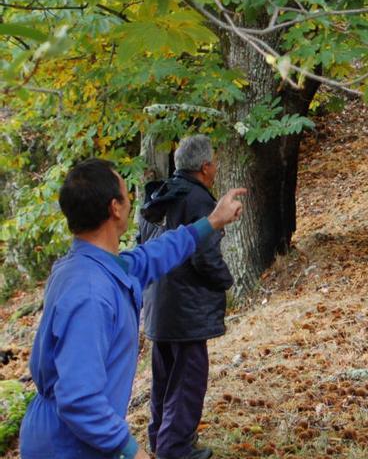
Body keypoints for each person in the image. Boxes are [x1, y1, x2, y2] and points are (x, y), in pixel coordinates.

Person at [18, 158, 246, 459]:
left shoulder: (95, 267)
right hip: (67, 446)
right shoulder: (90, 294)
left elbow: (154, 254)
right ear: (114, 207)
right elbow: (78, 398)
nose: (130, 202)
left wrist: (213, 220)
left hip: (76, 439)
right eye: (127, 195)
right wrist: (129, 450)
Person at [140, 135, 232, 459]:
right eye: (215, 162)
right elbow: (204, 256)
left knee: (164, 378)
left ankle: (160, 442)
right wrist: (226, 281)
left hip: (156, 304)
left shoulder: (157, 196)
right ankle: (175, 449)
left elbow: (144, 246)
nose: (216, 168)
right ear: (205, 167)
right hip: (186, 307)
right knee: (187, 380)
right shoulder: (199, 201)